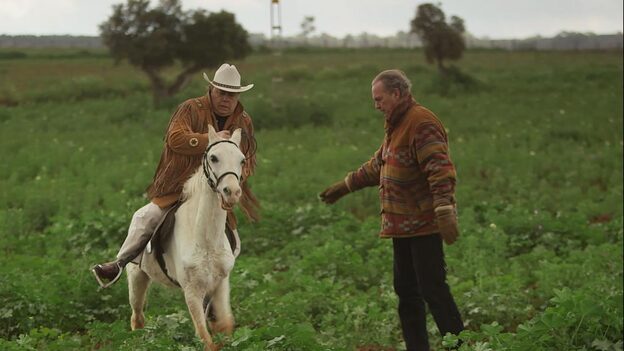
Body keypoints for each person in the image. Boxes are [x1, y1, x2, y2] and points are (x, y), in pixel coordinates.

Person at [319, 69, 464, 351]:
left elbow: (440, 168)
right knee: (407, 292)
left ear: (397, 94)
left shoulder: (421, 122)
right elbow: (379, 165)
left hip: (423, 224)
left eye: (379, 98)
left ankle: (460, 346)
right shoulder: (397, 123)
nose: (376, 105)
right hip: (402, 226)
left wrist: (444, 209)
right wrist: (345, 185)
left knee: (433, 290)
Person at [91, 63, 259, 288]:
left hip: (217, 190)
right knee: (145, 218)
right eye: (222, 93)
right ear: (211, 90)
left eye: (232, 94)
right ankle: (119, 264)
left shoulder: (244, 121)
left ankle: (214, 282)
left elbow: (246, 157)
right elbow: (175, 138)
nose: (226, 99)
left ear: (238, 96)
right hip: (179, 185)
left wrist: (235, 181)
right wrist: (210, 139)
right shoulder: (190, 108)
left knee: (232, 240)